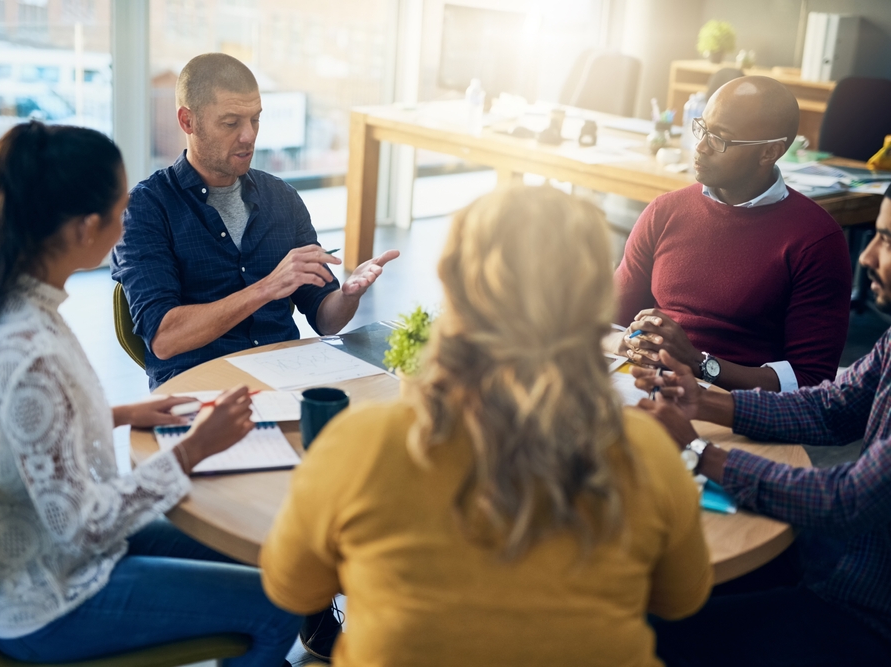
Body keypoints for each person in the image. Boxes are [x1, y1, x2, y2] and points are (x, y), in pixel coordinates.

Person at [258, 184, 713, 666]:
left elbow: (292, 586)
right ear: (594, 299)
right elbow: (681, 599)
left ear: (452, 286)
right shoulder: (647, 451)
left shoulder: (361, 445)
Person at [0, 122, 301, 666]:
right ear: (84, 229)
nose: (129, 220)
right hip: (54, 597)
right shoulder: (27, 349)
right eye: (119, 209)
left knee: (275, 556)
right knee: (279, 601)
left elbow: (24, 425)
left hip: (53, 556)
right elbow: (84, 527)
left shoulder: (10, 303)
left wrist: (120, 412)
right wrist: (195, 447)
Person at [630, 184, 891, 666]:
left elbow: (849, 499)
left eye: (888, 241)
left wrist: (698, 453)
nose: (868, 256)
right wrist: (703, 402)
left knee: (648, 630)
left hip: (867, 612)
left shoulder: (813, 237)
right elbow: (834, 407)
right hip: (841, 560)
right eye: (875, 235)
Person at [112, 53, 399, 390]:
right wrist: (266, 288)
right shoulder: (146, 208)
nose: (248, 136)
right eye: (231, 123)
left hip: (286, 380)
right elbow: (164, 337)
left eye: (255, 120)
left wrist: (349, 295)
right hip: (199, 390)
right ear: (188, 121)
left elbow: (326, 320)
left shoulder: (282, 198)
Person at [608, 76, 851, 393]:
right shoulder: (664, 211)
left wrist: (697, 363)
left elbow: (810, 381)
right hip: (645, 387)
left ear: (770, 152)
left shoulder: (816, 240)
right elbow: (607, 324)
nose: (701, 146)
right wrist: (628, 342)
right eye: (702, 128)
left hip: (740, 408)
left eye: (720, 139)